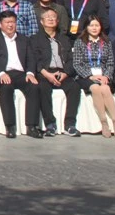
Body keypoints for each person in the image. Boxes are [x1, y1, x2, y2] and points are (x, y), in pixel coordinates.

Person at [0, 10, 42, 138]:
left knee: (34, 87)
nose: (10, 25)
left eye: (12, 22)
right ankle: (10, 126)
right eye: (7, 22)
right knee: (6, 88)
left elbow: (31, 58)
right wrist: (1, 73)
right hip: (3, 73)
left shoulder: (24, 39)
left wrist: (30, 73)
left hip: (21, 74)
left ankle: (32, 126)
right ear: (0, 24)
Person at [32, 8, 82, 137]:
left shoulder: (65, 39)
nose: (50, 19)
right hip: (45, 73)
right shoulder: (35, 39)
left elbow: (72, 59)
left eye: (53, 17)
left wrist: (65, 73)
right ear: (41, 21)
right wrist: (47, 74)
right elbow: (34, 59)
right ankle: (50, 124)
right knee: (42, 88)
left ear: (58, 21)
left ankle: (70, 124)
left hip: (62, 73)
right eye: (47, 17)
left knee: (75, 87)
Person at [72, 16, 115, 138]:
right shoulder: (79, 42)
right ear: (86, 27)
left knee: (105, 88)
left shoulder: (106, 42)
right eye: (91, 25)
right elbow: (77, 64)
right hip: (86, 76)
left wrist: (106, 76)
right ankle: (103, 121)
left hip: (103, 75)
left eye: (97, 25)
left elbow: (110, 62)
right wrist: (90, 76)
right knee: (95, 88)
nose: (94, 28)